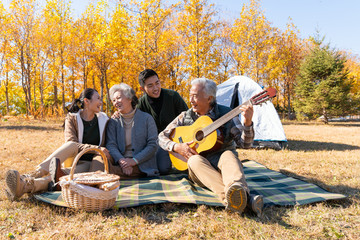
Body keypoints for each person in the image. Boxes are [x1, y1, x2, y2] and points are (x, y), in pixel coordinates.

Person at [158, 78, 264, 216]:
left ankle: (235, 199)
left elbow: (245, 145)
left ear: (209, 98)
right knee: (193, 160)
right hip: (201, 169)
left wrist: (248, 123)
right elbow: (161, 136)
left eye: (195, 96)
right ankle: (247, 199)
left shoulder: (227, 114)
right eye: (190, 95)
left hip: (224, 164)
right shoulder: (186, 116)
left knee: (229, 155)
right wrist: (176, 146)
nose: (190, 100)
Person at [5, 88, 110, 200]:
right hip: (73, 157)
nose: (101, 102)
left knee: (61, 177)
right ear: (86, 101)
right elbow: (71, 142)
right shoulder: (72, 118)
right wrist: (96, 148)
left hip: (91, 163)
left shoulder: (105, 120)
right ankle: (32, 174)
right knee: (71, 145)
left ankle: (25, 186)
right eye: (98, 98)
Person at [137, 69, 188, 175]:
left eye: (157, 83)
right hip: (161, 143)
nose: (155, 88)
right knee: (163, 169)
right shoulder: (141, 104)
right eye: (150, 86)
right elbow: (132, 118)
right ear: (142, 88)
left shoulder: (173, 96)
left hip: (180, 138)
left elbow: (188, 118)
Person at [102, 83, 159, 178]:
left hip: (141, 163)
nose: (116, 102)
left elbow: (153, 145)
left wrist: (134, 161)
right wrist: (122, 161)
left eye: (119, 98)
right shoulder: (113, 121)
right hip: (119, 163)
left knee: (104, 171)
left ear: (129, 98)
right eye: (114, 100)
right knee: (99, 162)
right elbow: (111, 145)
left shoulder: (147, 119)